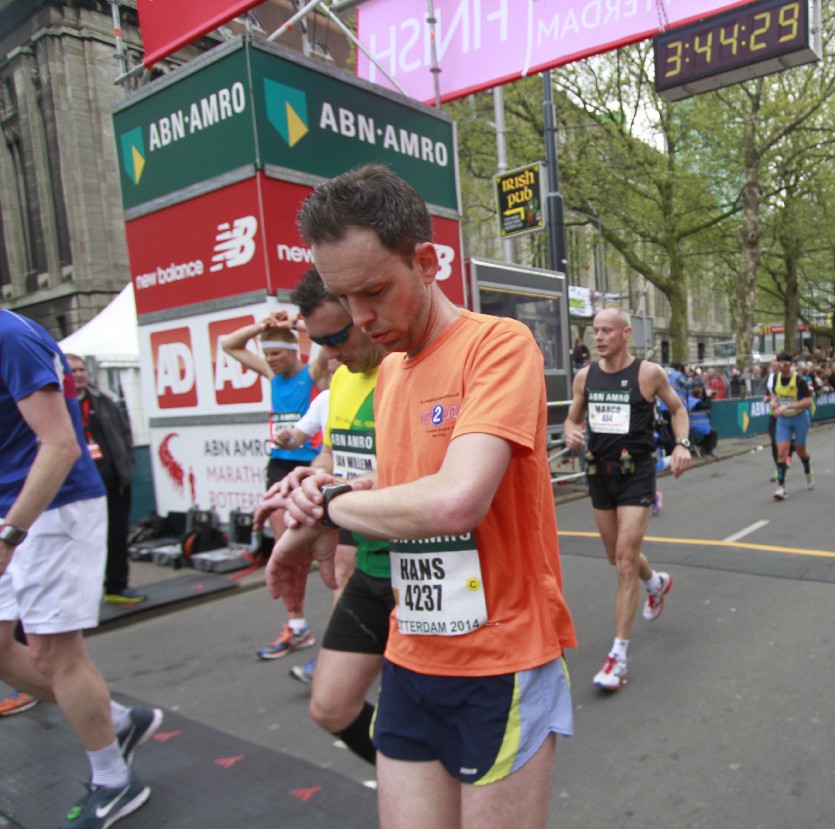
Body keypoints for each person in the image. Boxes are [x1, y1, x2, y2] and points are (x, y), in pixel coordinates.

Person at [266, 163, 577, 827]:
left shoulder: (497, 345)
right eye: (344, 297)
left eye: (375, 290)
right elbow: (402, 487)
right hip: (409, 652)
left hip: (500, 661)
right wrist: (323, 495)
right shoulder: (392, 375)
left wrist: (331, 509)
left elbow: (456, 501)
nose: (360, 318)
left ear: (428, 262)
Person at [0, 309, 162, 828]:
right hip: (12, 510)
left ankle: (114, 780)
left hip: (52, 509)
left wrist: (9, 535)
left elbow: (61, 444)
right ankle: (116, 720)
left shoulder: (9, 335)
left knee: (53, 652)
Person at [256, 268, 391, 763]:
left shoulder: (404, 372)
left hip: (422, 572)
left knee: (413, 714)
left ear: (366, 316)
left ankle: (426, 784)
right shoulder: (343, 382)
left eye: (337, 338)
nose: (330, 354)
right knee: (331, 706)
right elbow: (334, 455)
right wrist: (309, 480)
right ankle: (412, 776)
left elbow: (424, 476)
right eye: (320, 343)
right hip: (368, 562)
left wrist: (331, 502)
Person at [563, 306, 691, 692]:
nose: (599, 337)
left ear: (625, 333)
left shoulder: (648, 373)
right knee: (617, 556)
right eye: (595, 331)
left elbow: (678, 409)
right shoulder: (585, 376)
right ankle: (656, 582)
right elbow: (571, 418)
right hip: (599, 473)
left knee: (623, 561)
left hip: (636, 473)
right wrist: (571, 431)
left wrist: (682, 443)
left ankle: (617, 657)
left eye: (606, 330)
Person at [221, 315, 323, 659]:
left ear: (293, 351)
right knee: (287, 549)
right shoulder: (272, 375)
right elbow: (229, 345)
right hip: (279, 466)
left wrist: (295, 324)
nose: (270, 360)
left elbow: (325, 338)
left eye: (276, 354)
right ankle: (297, 625)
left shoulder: (312, 372)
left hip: (312, 467)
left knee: (336, 552)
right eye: (266, 355)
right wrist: (261, 328)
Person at [64, 353, 142, 604]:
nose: (78, 375)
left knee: (117, 535)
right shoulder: (58, 404)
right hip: (79, 487)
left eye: (81, 370)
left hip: (114, 480)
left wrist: (127, 464)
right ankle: (80, 595)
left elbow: (124, 432)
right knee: (82, 541)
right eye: (72, 371)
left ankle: (116, 586)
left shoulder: (103, 400)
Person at [765, 352, 815, 500]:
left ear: (791, 364)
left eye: (785, 365)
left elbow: (808, 401)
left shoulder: (799, 380)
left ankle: (808, 470)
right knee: (781, 451)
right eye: (780, 365)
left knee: (800, 450)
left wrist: (787, 406)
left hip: (799, 418)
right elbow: (775, 393)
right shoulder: (776, 378)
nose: (782, 368)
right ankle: (781, 487)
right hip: (784, 420)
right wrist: (773, 401)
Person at [686, 384, 719, 458]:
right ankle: (709, 451)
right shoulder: (696, 403)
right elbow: (707, 406)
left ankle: (704, 449)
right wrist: (708, 396)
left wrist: (707, 396)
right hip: (696, 428)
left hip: (694, 427)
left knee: (709, 432)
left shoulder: (690, 399)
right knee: (713, 432)